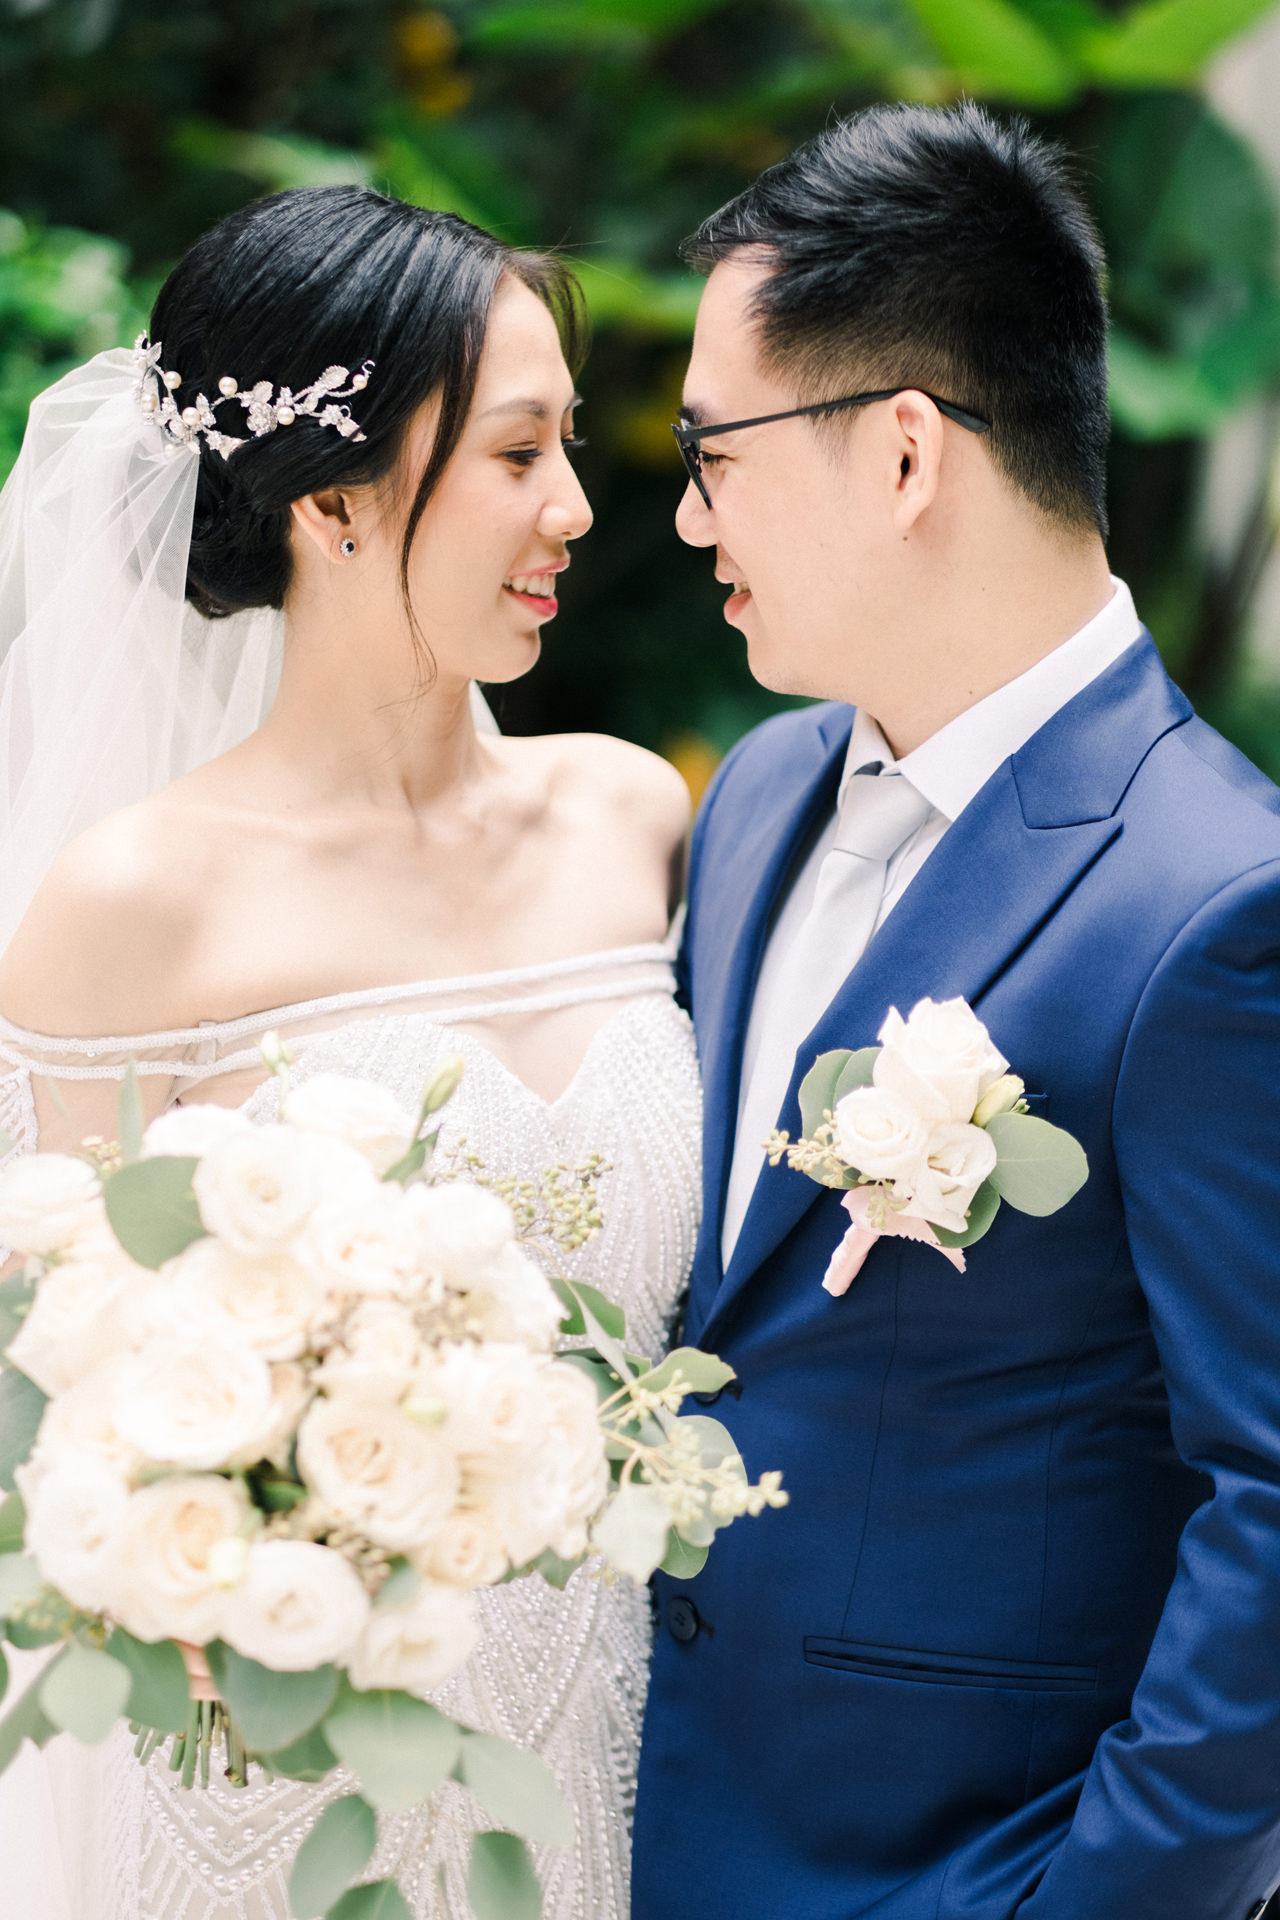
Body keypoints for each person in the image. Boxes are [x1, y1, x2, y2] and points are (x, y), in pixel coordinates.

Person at [0, 184, 696, 1920]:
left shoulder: (634, 822)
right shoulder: (131, 906)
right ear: (329, 496)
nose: (577, 508)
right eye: (520, 453)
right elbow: (53, 1427)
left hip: (617, 1746)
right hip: (272, 1788)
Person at [633, 102, 1280, 1920]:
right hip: (647, 1826)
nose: (685, 516)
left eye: (715, 454)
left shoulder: (1216, 901)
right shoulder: (757, 792)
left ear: (906, 453)